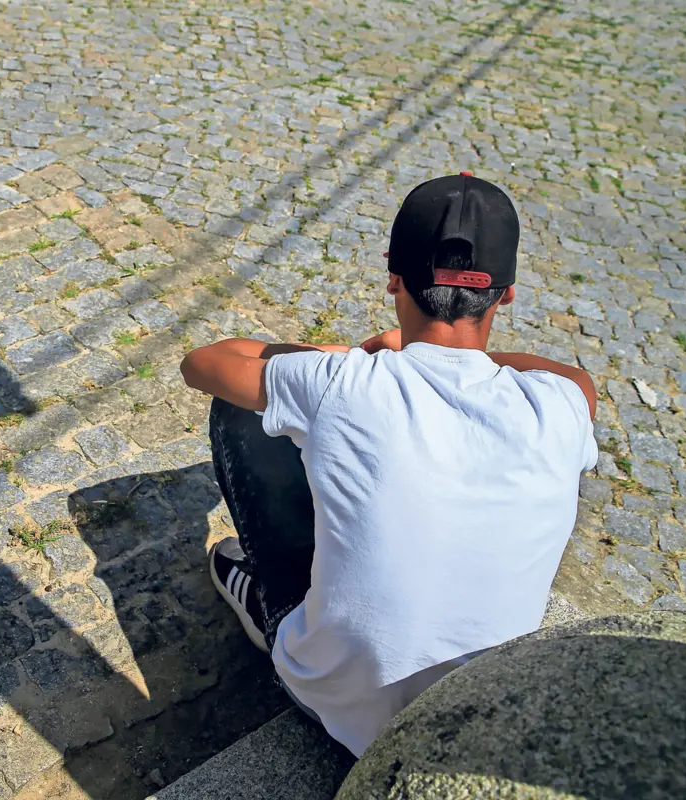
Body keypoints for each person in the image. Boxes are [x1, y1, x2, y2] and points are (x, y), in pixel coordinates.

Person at [180, 173, 598, 757]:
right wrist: (434, 355)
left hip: (343, 706)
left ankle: (273, 610)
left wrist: (354, 355)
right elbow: (575, 376)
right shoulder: (560, 404)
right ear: (506, 293)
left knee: (242, 412)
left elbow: (204, 363)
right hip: (478, 719)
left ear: (393, 277)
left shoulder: (345, 382)